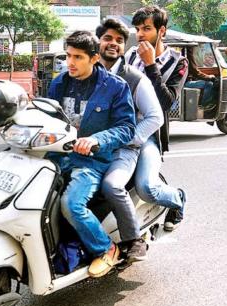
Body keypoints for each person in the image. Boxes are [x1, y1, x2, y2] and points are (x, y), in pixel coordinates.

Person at [48, 31, 136, 277]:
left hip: (91, 161)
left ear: (94, 58)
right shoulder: (59, 83)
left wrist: (96, 140)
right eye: (68, 55)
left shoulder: (116, 87)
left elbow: (127, 129)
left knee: (71, 204)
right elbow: (46, 117)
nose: (70, 62)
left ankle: (107, 249)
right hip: (57, 157)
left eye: (78, 57)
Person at [96, 18, 163, 262]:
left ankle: (134, 239)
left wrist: (129, 139)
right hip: (91, 147)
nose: (113, 44)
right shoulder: (85, 75)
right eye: (107, 38)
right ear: (97, 42)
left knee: (112, 186)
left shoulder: (135, 79)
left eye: (119, 40)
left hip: (123, 149)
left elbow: (156, 117)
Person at [124, 5, 188, 231]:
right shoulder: (129, 56)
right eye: (138, 29)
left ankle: (176, 199)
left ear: (162, 31)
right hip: (122, 130)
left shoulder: (178, 62)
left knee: (146, 188)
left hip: (150, 134)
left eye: (147, 29)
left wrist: (151, 65)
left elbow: (167, 102)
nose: (140, 34)